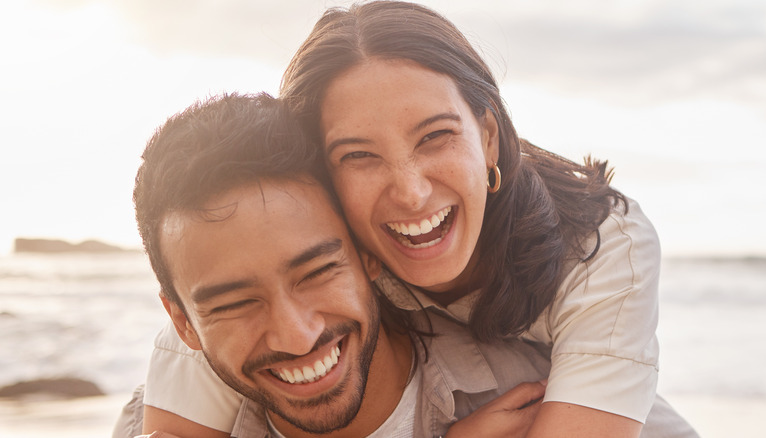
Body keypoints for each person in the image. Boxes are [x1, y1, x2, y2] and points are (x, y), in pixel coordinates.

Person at [133, 2, 699, 437]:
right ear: (319, 179)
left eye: (436, 136)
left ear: (488, 135)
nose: (410, 192)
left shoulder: (599, 246)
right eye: (357, 155)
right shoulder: (250, 292)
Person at [116, 92, 552, 438]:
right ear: (182, 322)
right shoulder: (152, 426)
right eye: (234, 303)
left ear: (368, 255)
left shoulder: (535, 402)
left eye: (317, 273)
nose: (297, 336)